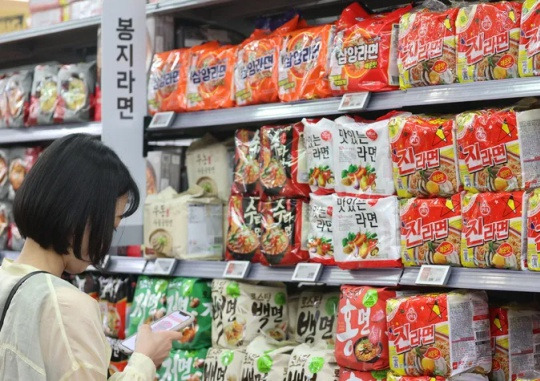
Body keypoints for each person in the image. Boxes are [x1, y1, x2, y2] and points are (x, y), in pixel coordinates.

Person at [0, 134, 181, 380]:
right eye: (112, 226)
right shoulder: (66, 306)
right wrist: (144, 363)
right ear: (80, 215)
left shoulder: (6, 279)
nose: (106, 242)